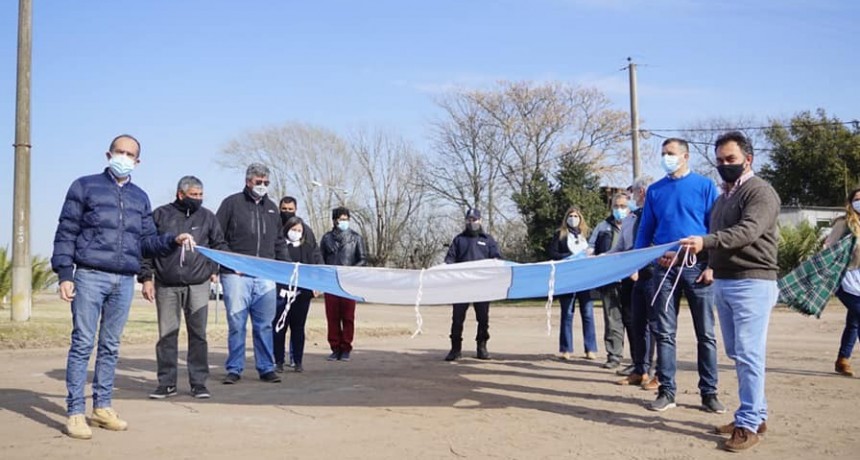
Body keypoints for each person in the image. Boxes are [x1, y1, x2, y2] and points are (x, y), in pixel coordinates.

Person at [51, 134, 196, 440]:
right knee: (82, 344)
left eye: (130, 154)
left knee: (110, 346)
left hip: (123, 280)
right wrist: (65, 273)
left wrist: (173, 239)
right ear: (108, 154)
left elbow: (146, 241)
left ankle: (102, 407)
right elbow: (66, 231)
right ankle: (75, 411)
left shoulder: (140, 197)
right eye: (120, 152)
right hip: (90, 275)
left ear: (138, 161)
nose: (124, 157)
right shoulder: (84, 186)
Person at [680, 131, 781, 452]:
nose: (725, 165)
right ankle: (755, 415)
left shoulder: (760, 192)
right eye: (720, 160)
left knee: (749, 354)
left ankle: (748, 423)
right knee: (739, 354)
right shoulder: (724, 197)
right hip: (724, 281)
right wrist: (693, 252)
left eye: (731, 159)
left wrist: (705, 242)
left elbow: (747, 231)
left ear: (747, 159)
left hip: (753, 281)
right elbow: (716, 237)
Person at [634, 137, 725, 413]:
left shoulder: (705, 186)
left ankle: (708, 393)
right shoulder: (655, 191)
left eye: (671, 153)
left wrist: (712, 266)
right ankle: (667, 391)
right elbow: (645, 230)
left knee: (706, 334)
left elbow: (715, 229)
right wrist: (637, 263)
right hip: (663, 269)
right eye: (663, 154)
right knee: (664, 332)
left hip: (697, 268)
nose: (666, 158)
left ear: (685, 156)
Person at [138, 176, 226, 400]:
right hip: (166, 285)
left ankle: (198, 382)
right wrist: (146, 278)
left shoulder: (208, 217)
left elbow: (219, 245)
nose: (198, 199)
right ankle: (166, 383)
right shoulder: (160, 215)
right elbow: (146, 248)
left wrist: (214, 269)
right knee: (167, 335)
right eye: (193, 195)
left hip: (198, 284)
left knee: (198, 335)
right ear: (180, 194)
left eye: (200, 195)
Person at [216, 163, 287, 384]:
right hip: (236, 275)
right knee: (237, 323)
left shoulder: (273, 208)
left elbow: (278, 242)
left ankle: (266, 367)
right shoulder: (231, 204)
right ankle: (235, 368)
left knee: (264, 324)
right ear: (248, 181)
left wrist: (286, 268)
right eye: (259, 182)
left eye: (266, 182)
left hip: (265, 275)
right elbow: (217, 237)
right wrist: (230, 262)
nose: (263, 186)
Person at [610, 177, 659, 389]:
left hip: (652, 274)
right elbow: (620, 247)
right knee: (637, 324)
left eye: (637, 192)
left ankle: (654, 373)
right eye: (639, 192)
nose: (637, 196)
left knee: (655, 325)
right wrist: (599, 258)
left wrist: (639, 266)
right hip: (633, 276)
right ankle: (639, 370)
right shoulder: (630, 219)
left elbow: (656, 244)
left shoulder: (658, 215)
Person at [444, 208, 502, 361]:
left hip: (482, 287)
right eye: (469, 220)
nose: (471, 222)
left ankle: (481, 346)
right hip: (461, 286)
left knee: (483, 318)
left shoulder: (488, 239)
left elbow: (496, 258)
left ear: (480, 220)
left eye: (474, 219)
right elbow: (449, 260)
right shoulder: (458, 240)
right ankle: (455, 349)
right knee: (457, 318)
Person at [274, 215, 323, 373]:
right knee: (279, 327)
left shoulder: (307, 248)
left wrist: (316, 285)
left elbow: (315, 267)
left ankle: (297, 360)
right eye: (293, 229)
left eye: (299, 230)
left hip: (301, 294)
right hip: (282, 293)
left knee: (298, 328)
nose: (296, 232)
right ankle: (278, 361)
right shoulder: (278, 247)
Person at [548, 206, 598, 361]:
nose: (573, 218)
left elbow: (594, 252)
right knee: (567, 313)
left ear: (580, 219)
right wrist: (569, 257)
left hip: (585, 279)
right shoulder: (560, 235)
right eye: (571, 216)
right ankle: (566, 349)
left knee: (588, 314)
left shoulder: (586, 236)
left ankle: (590, 349)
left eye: (576, 216)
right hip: (567, 279)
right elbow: (552, 253)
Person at [320, 206, 368, 361]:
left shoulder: (356, 237)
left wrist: (351, 271)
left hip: (349, 283)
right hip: (331, 282)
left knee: (348, 317)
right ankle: (335, 347)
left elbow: (363, 259)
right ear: (334, 220)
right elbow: (320, 259)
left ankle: (346, 347)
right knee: (332, 317)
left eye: (346, 219)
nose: (343, 222)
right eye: (341, 219)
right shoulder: (326, 238)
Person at [823, 186, 860, 378]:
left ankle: (842, 359)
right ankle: (843, 359)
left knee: (854, 321)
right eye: (857, 199)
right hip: (845, 278)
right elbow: (828, 246)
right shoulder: (844, 223)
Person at [590, 192, 629, 369]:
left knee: (633, 319)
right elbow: (590, 247)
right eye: (616, 206)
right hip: (608, 280)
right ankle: (614, 355)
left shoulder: (635, 224)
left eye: (622, 206)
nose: (619, 209)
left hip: (631, 278)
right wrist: (589, 253)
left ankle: (638, 361)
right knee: (612, 319)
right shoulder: (602, 227)